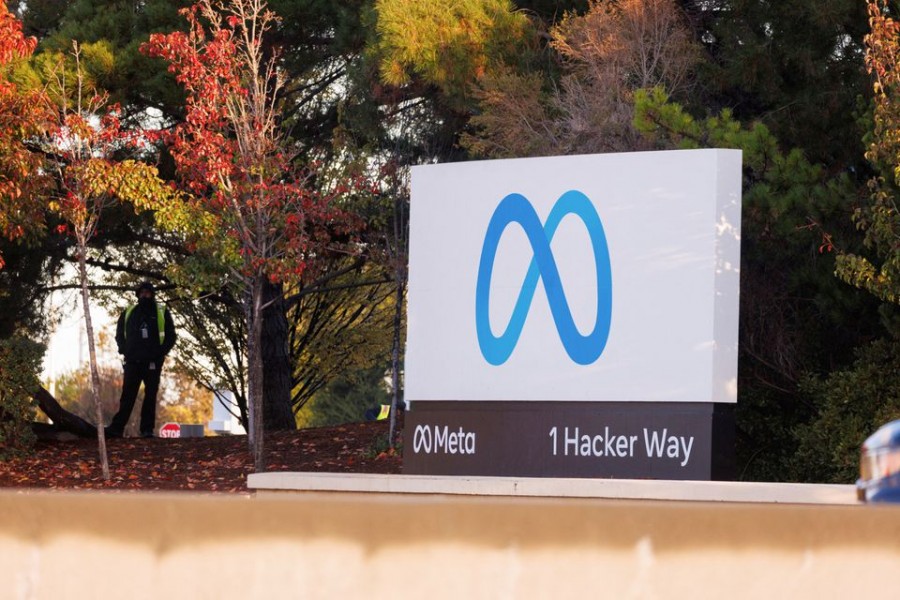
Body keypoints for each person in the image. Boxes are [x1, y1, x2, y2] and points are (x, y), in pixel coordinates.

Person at [106, 281, 176, 438]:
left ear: (152, 294)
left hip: (153, 362)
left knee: (150, 396)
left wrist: (159, 353)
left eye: (148, 293)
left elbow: (171, 336)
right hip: (132, 362)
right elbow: (119, 333)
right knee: (127, 396)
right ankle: (116, 428)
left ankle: (147, 430)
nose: (145, 295)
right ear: (137, 295)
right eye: (142, 293)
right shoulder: (129, 312)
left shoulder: (161, 311)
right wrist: (124, 349)